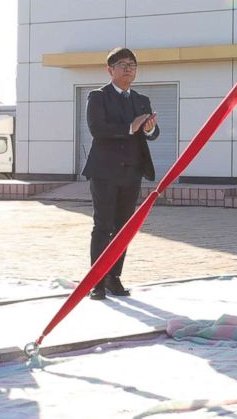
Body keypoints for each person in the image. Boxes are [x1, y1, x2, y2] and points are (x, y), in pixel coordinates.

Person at [83, 48, 159, 301]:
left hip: (133, 171)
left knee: (123, 228)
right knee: (103, 226)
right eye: (122, 64)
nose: (128, 69)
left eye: (132, 65)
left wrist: (148, 129)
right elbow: (97, 129)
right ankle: (96, 281)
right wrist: (130, 127)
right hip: (104, 172)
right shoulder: (98, 96)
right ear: (110, 70)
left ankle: (114, 277)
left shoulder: (141, 100)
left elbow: (152, 134)